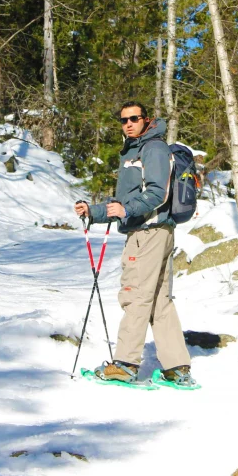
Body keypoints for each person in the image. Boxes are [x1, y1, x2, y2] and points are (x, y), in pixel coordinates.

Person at [74, 101, 192, 385]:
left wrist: (126, 211)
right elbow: (123, 203)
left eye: (134, 118)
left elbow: (156, 193)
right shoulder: (136, 149)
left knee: (135, 294)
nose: (128, 123)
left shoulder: (152, 148)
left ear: (146, 120)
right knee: (159, 302)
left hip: (148, 233)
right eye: (123, 119)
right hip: (155, 231)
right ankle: (177, 368)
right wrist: (95, 212)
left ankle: (125, 364)